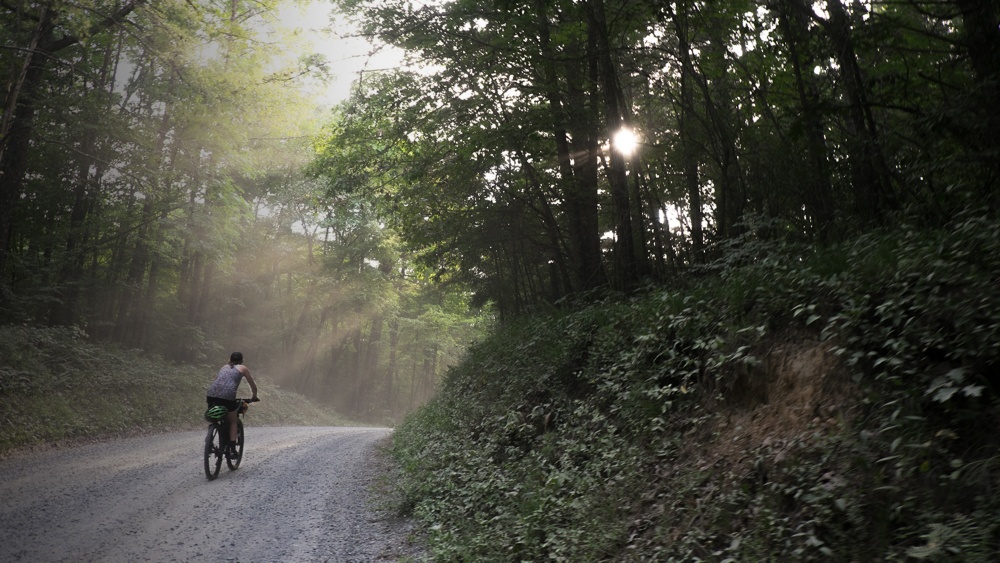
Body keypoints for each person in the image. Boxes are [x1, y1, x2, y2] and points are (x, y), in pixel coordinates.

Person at [206, 352, 258, 457]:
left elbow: (219, 381)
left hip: (211, 394)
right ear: (242, 360)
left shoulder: (224, 367)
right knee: (233, 421)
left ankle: (209, 440)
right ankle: (233, 449)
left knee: (214, 416)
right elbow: (252, 385)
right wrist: (254, 396)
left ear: (230, 359)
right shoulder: (242, 368)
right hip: (228, 396)